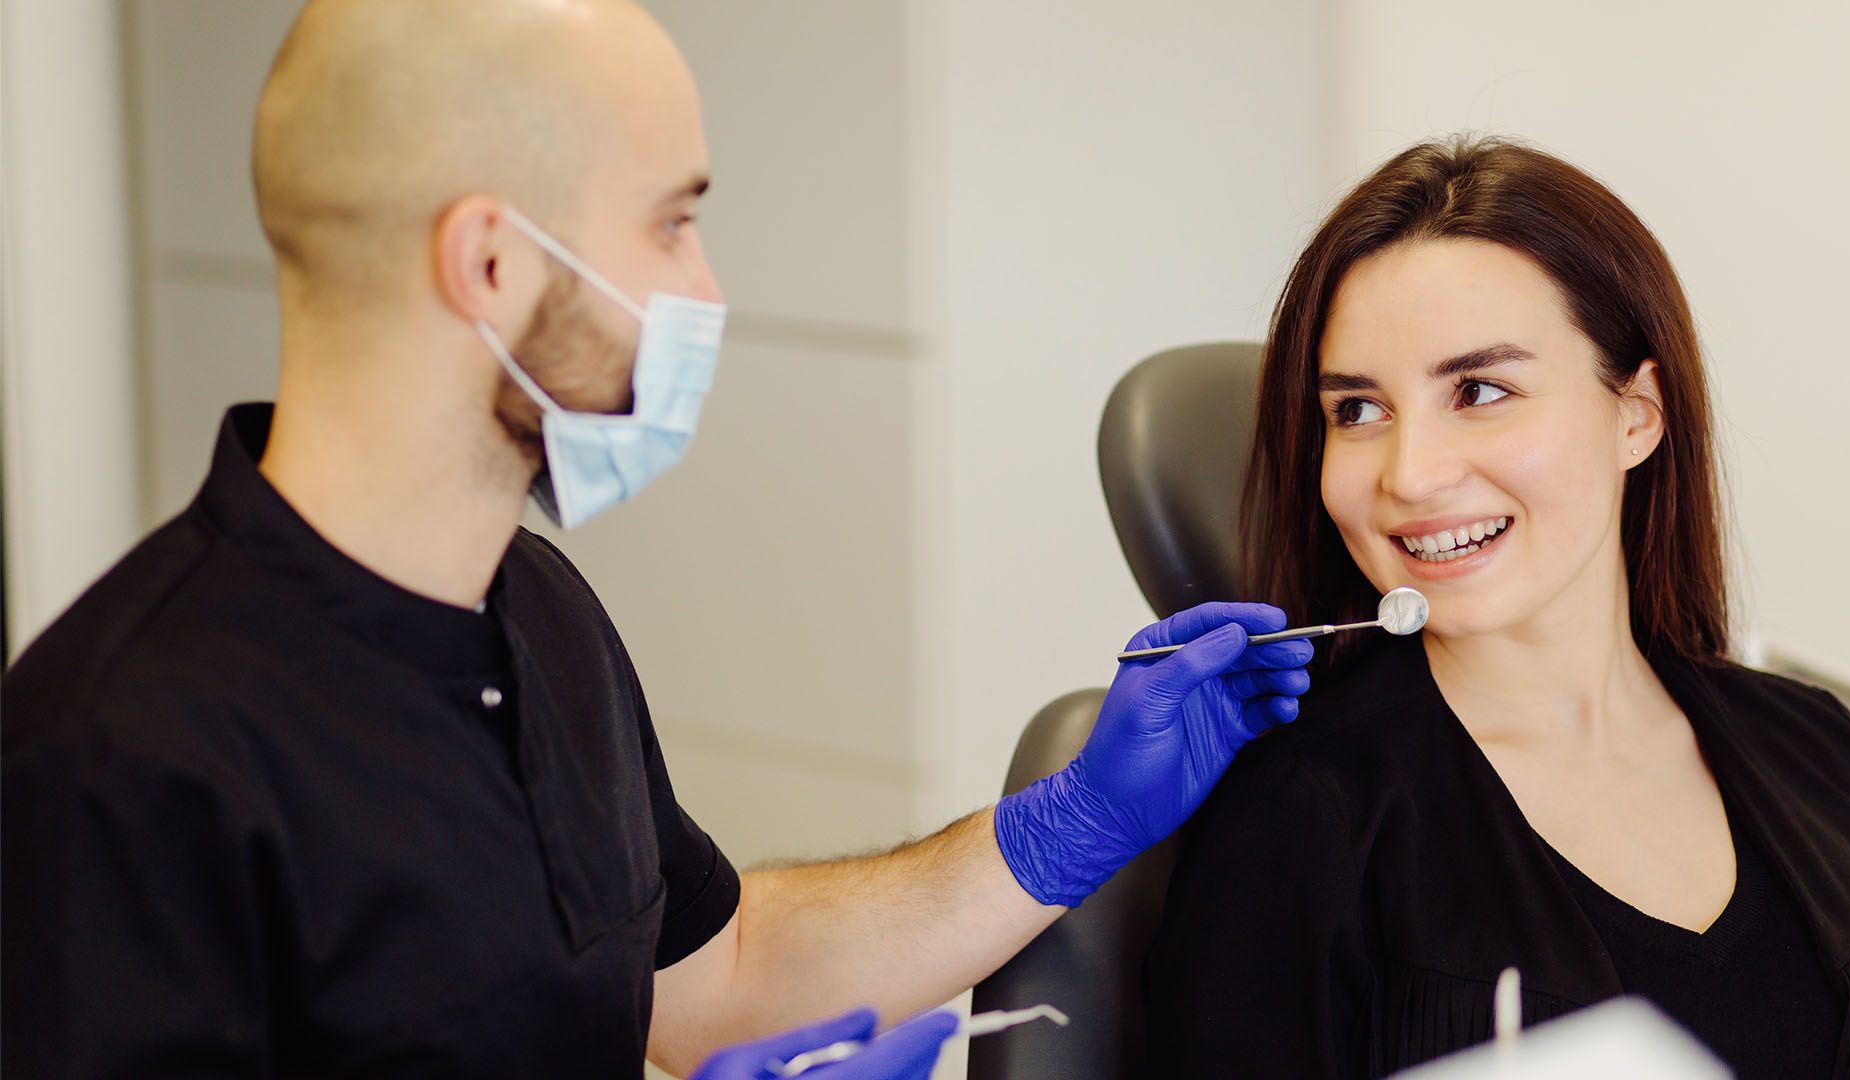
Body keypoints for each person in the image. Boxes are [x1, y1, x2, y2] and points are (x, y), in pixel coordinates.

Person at [0, 2, 1318, 1076]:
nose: (707, 290)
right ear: (493, 267)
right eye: (671, 223)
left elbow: (710, 981)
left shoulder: (534, 612)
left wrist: (1074, 821)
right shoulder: (121, 757)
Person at [1144, 136, 1850, 1078]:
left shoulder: (1829, 753)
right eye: (1356, 410)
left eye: (1479, 390)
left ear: (1637, 413)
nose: (1411, 473)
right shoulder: (1301, 820)